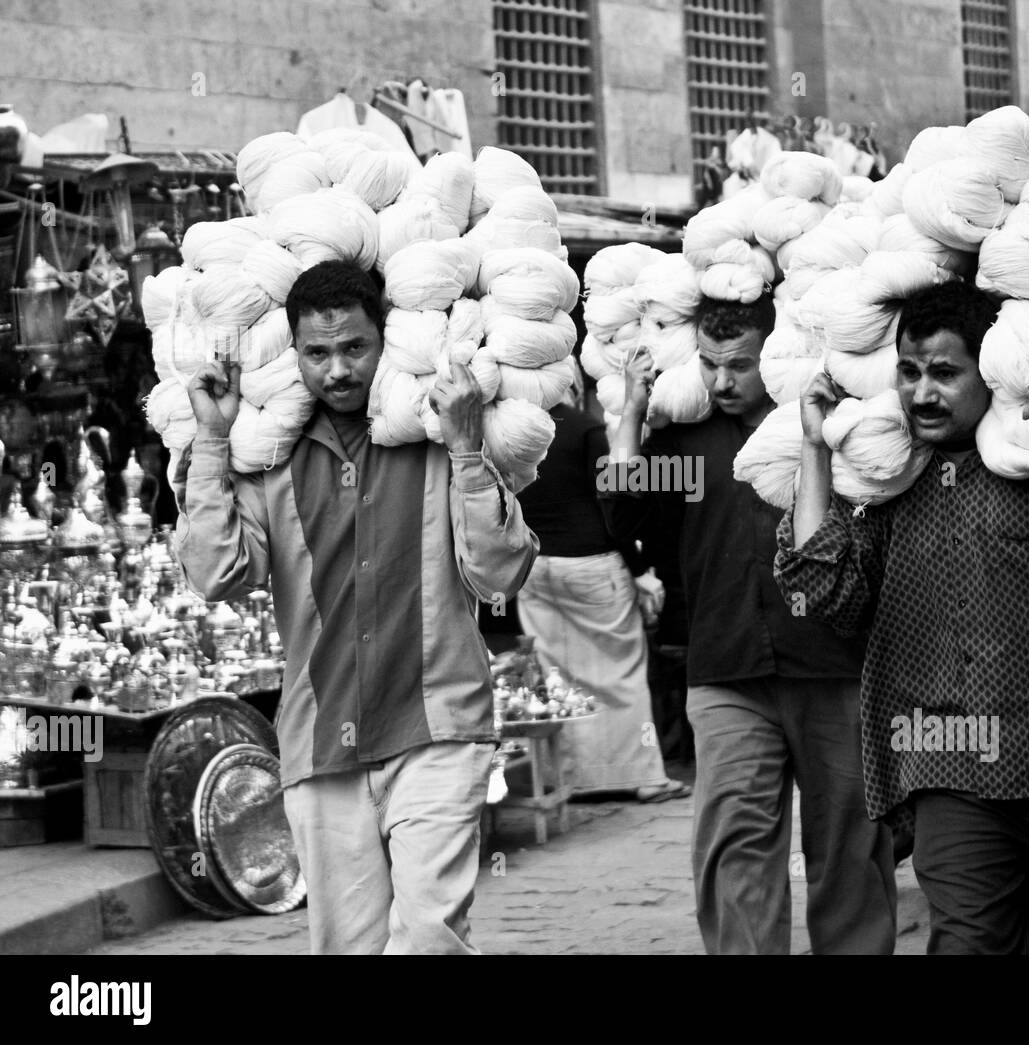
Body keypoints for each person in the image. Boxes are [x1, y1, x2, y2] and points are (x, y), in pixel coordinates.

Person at [774, 279, 1029, 955]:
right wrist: (816, 449)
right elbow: (824, 592)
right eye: (908, 372)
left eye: (943, 372)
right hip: (956, 773)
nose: (922, 392)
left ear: (989, 371)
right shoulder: (889, 483)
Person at [174, 260, 538, 954]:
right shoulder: (269, 455)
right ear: (296, 353)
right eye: (317, 352)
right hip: (320, 743)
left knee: (432, 937)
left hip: (437, 729)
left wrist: (465, 448)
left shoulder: (434, 438)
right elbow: (217, 572)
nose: (337, 370)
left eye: (354, 348)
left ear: (386, 340)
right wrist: (214, 440)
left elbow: (501, 572)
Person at [605, 294, 898, 955]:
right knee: (733, 847)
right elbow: (622, 522)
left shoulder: (827, 422)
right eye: (709, 364)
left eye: (738, 365)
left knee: (850, 846)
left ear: (774, 350)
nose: (721, 381)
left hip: (837, 665)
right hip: (726, 670)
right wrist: (629, 416)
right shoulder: (686, 445)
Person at [514, 373, 690, 802]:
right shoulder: (582, 427)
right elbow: (614, 501)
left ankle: (575, 779)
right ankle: (645, 776)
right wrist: (637, 570)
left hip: (534, 568)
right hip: (592, 564)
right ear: (568, 383)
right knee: (623, 674)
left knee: (558, 676)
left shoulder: (511, 429)